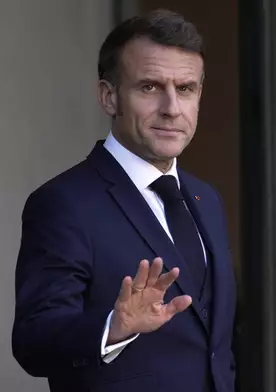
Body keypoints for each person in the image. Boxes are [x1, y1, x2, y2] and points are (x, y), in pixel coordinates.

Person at [11, 9, 236, 392]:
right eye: (150, 87)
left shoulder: (206, 198)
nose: (172, 108)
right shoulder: (64, 203)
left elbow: (213, 347)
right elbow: (33, 340)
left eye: (186, 89)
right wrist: (112, 329)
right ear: (109, 96)